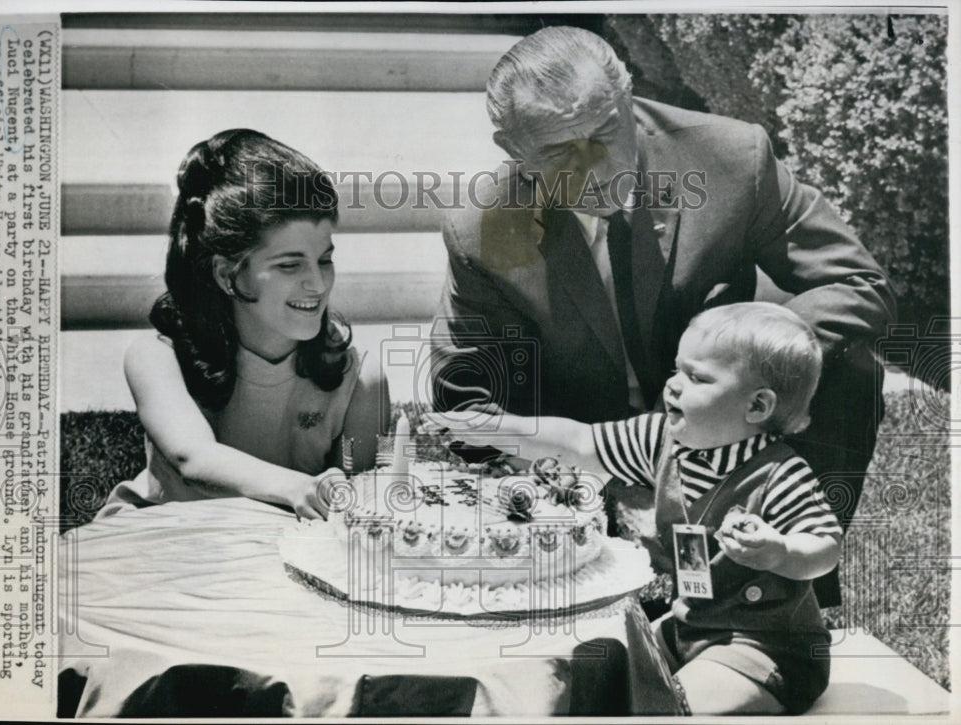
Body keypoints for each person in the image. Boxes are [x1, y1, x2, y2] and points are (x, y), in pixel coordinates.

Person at [430, 25, 895, 606]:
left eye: (604, 132)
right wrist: (578, 477)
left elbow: (855, 282)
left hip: (728, 427)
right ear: (512, 149)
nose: (594, 168)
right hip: (586, 448)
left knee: (850, 374)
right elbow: (465, 401)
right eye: (556, 151)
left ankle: (787, 594)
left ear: (627, 98)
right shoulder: (480, 227)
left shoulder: (731, 157)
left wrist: (738, 370)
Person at [427, 302, 840, 714]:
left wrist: (780, 551)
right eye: (677, 369)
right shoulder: (662, 439)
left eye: (697, 377)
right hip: (689, 627)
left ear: (757, 407)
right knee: (588, 669)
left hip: (764, 648)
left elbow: (825, 545)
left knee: (668, 709)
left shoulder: (778, 474)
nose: (673, 385)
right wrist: (491, 428)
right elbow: (579, 443)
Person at [98, 129, 388, 520]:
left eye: (325, 259)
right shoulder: (157, 357)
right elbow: (193, 458)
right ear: (227, 274)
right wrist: (300, 487)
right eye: (289, 264)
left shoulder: (359, 376)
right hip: (164, 541)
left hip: (285, 553)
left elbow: (354, 506)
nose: (318, 284)